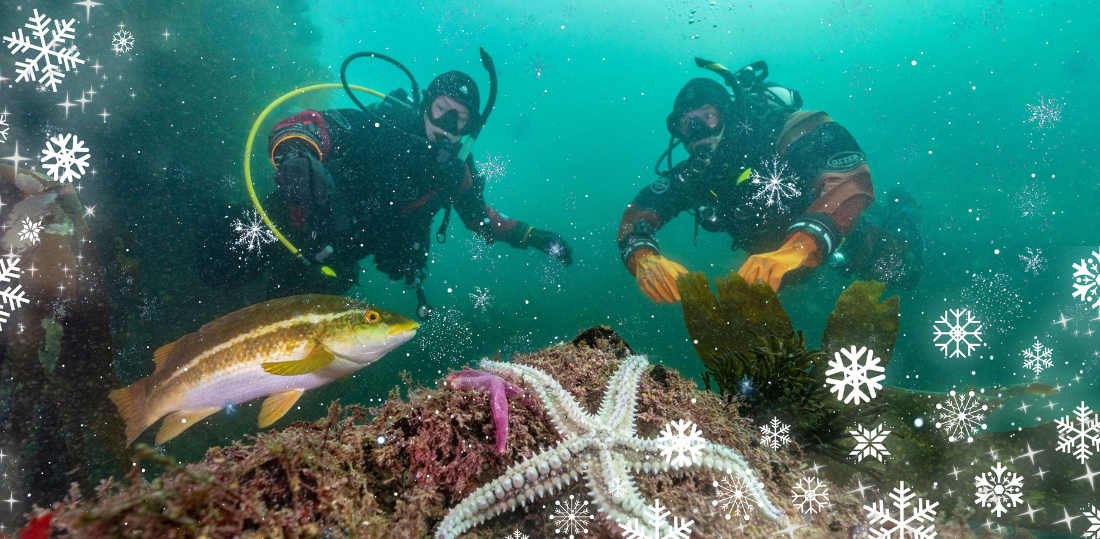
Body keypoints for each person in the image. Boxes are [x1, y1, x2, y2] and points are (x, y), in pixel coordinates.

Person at [199, 71, 572, 317]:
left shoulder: (457, 173)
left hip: (331, 265)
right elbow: (313, 124)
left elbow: (480, 218)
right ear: (426, 105)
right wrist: (296, 155)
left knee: (277, 337)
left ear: (470, 128)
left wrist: (529, 235)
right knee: (211, 270)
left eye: (458, 119)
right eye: (441, 109)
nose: (446, 124)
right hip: (281, 221)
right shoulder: (382, 124)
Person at [617, 60, 877, 302]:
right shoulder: (695, 175)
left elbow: (850, 178)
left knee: (892, 269)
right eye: (687, 123)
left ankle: (895, 220)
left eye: (708, 116)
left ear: (728, 115)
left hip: (848, 239)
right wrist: (642, 256)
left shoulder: (776, 132)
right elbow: (637, 213)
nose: (697, 130)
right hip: (775, 276)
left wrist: (800, 246)